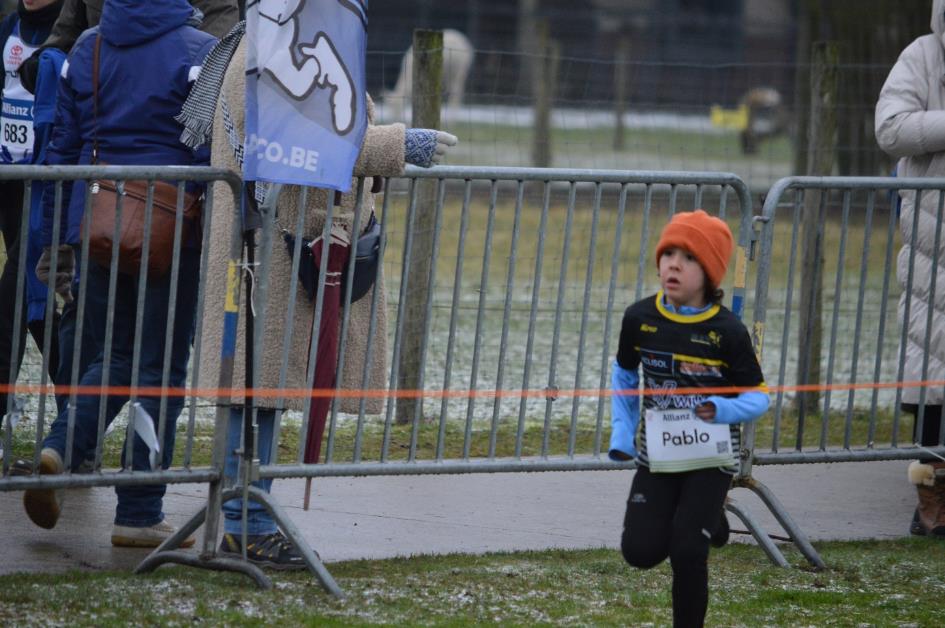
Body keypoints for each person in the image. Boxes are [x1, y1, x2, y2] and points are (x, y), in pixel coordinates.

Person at [191, 28, 457, 569]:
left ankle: (252, 521)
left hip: (279, 245)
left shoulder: (289, 40)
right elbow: (294, 141)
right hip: (260, 248)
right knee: (252, 393)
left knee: (262, 394)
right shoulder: (265, 49)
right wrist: (393, 147)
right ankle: (247, 525)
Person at [21, 0, 216, 548]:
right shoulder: (201, 52)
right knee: (159, 369)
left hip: (99, 221)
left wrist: (60, 232)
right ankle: (138, 510)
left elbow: (63, 148)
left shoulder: (88, 46)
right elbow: (207, 151)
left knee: (112, 354)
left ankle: (62, 443)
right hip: (170, 229)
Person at [609, 210, 769, 627]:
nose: (673, 265)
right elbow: (624, 376)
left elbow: (758, 399)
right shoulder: (639, 319)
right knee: (639, 553)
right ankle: (712, 518)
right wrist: (622, 433)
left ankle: (705, 514)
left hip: (710, 459)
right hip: (657, 457)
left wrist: (723, 409)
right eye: (668, 254)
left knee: (687, 552)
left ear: (712, 273)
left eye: (688, 258)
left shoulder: (728, 332)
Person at [875, 0, 945, 538]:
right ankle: (931, 506)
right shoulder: (922, 57)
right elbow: (891, 128)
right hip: (932, 254)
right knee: (933, 388)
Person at [0, 0, 63, 432]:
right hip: (5, 177)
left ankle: (81, 412)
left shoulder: (67, 29)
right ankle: (82, 410)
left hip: (40, 183)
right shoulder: (9, 25)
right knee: (31, 308)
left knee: (14, 297)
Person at [15, 0, 237, 94]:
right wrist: (42, 66)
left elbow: (215, 52)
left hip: (169, 130)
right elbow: (64, 37)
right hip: (98, 129)